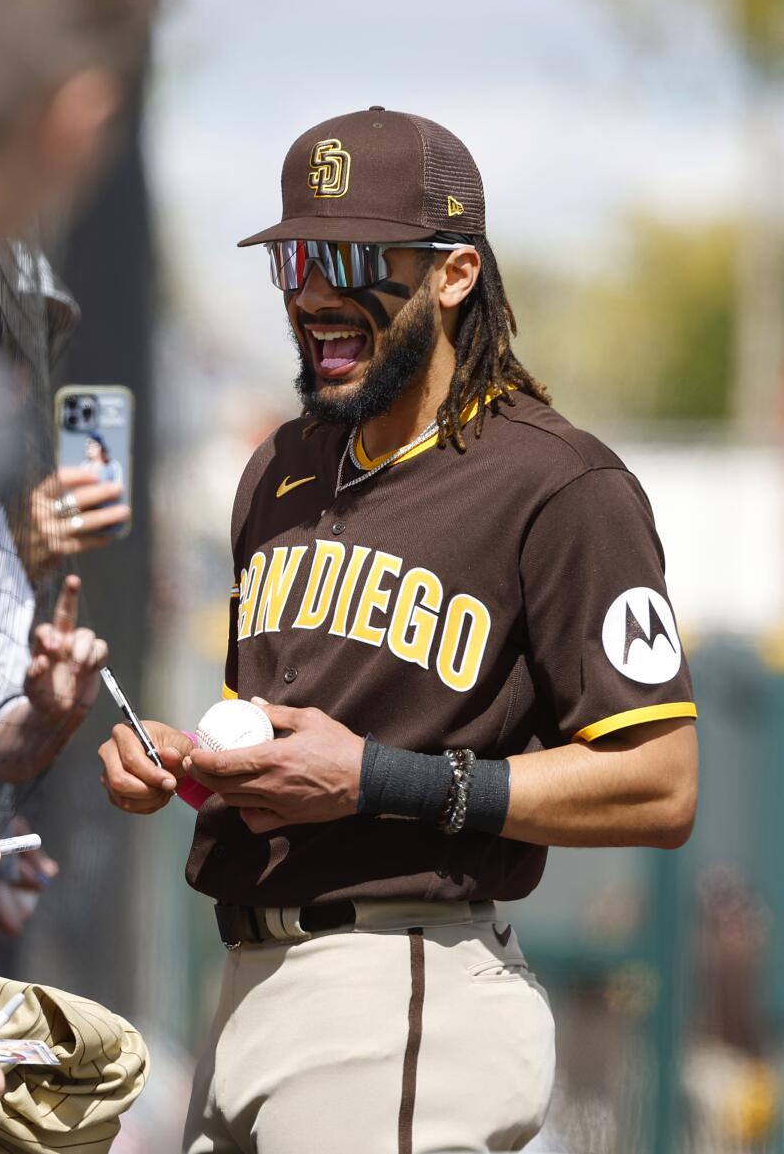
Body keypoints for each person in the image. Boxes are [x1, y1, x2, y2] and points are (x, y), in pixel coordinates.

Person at [98, 107, 699, 1154]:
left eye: (348, 257)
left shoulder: (557, 485)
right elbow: (289, 731)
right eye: (292, 258)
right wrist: (191, 764)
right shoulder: (278, 468)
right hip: (244, 986)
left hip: (402, 990)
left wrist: (384, 779)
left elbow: (662, 782)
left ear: (453, 274)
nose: (311, 294)